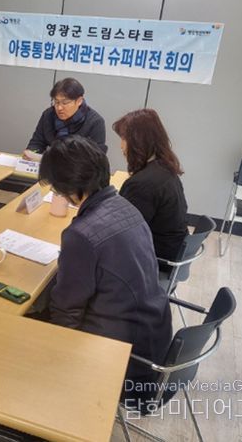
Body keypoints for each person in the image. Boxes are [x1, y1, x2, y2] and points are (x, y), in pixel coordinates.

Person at [38, 135, 172, 409]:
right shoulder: (127, 207)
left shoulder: (81, 235)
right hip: (152, 341)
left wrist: (56, 361)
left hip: (121, 360)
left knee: (24, 325)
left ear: (67, 186)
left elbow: (66, 313)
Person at [113, 109, 188, 262]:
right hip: (171, 249)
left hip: (153, 258)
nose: (121, 146)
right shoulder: (165, 168)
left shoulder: (142, 184)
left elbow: (121, 233)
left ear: (138, 142)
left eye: (124, 139)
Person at [24, 77, 106, 157]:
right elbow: (37, 143)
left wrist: (48, 159)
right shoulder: (48, 115)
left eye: (65, 103)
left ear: (79, 101)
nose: (59, 108)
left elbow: (96, 158)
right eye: (56, 102)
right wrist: (31, 153)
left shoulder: (95, 122)